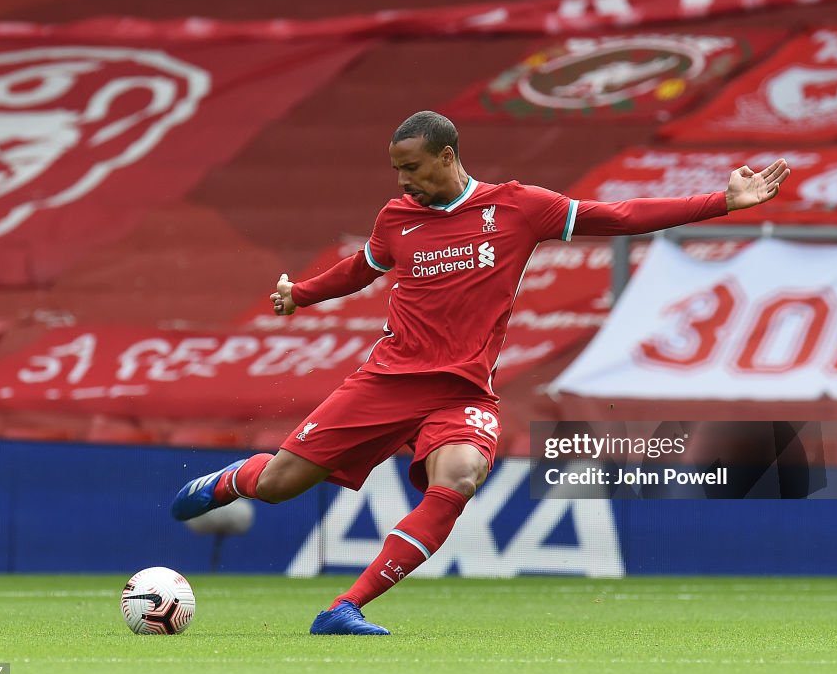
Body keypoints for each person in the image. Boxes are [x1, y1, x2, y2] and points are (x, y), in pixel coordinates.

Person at [171, 110, 790, 635]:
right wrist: (300, 295)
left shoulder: (519, 208)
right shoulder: (397, 218)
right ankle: (230, 482)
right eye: (396, 169)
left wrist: (722, 202)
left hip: (461, 392)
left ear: (447, 156)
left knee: (461, 478)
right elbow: (362, 267)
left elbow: (620, 215)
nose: (402, 179)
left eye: (412, 167)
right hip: (386, 380)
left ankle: (343, 608)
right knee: (280, 486)